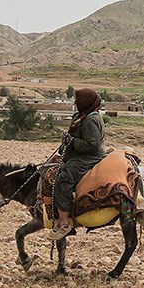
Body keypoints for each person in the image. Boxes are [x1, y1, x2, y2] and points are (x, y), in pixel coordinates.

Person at [47, 88, 108, 241]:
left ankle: (64, 221)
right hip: (79, 155)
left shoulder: (91, 120)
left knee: (63, 178)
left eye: (78, 100)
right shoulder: (83, 116)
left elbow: (92, 144)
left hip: (88, 158)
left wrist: (72, 141)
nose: (75, 102)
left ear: (85, 102)